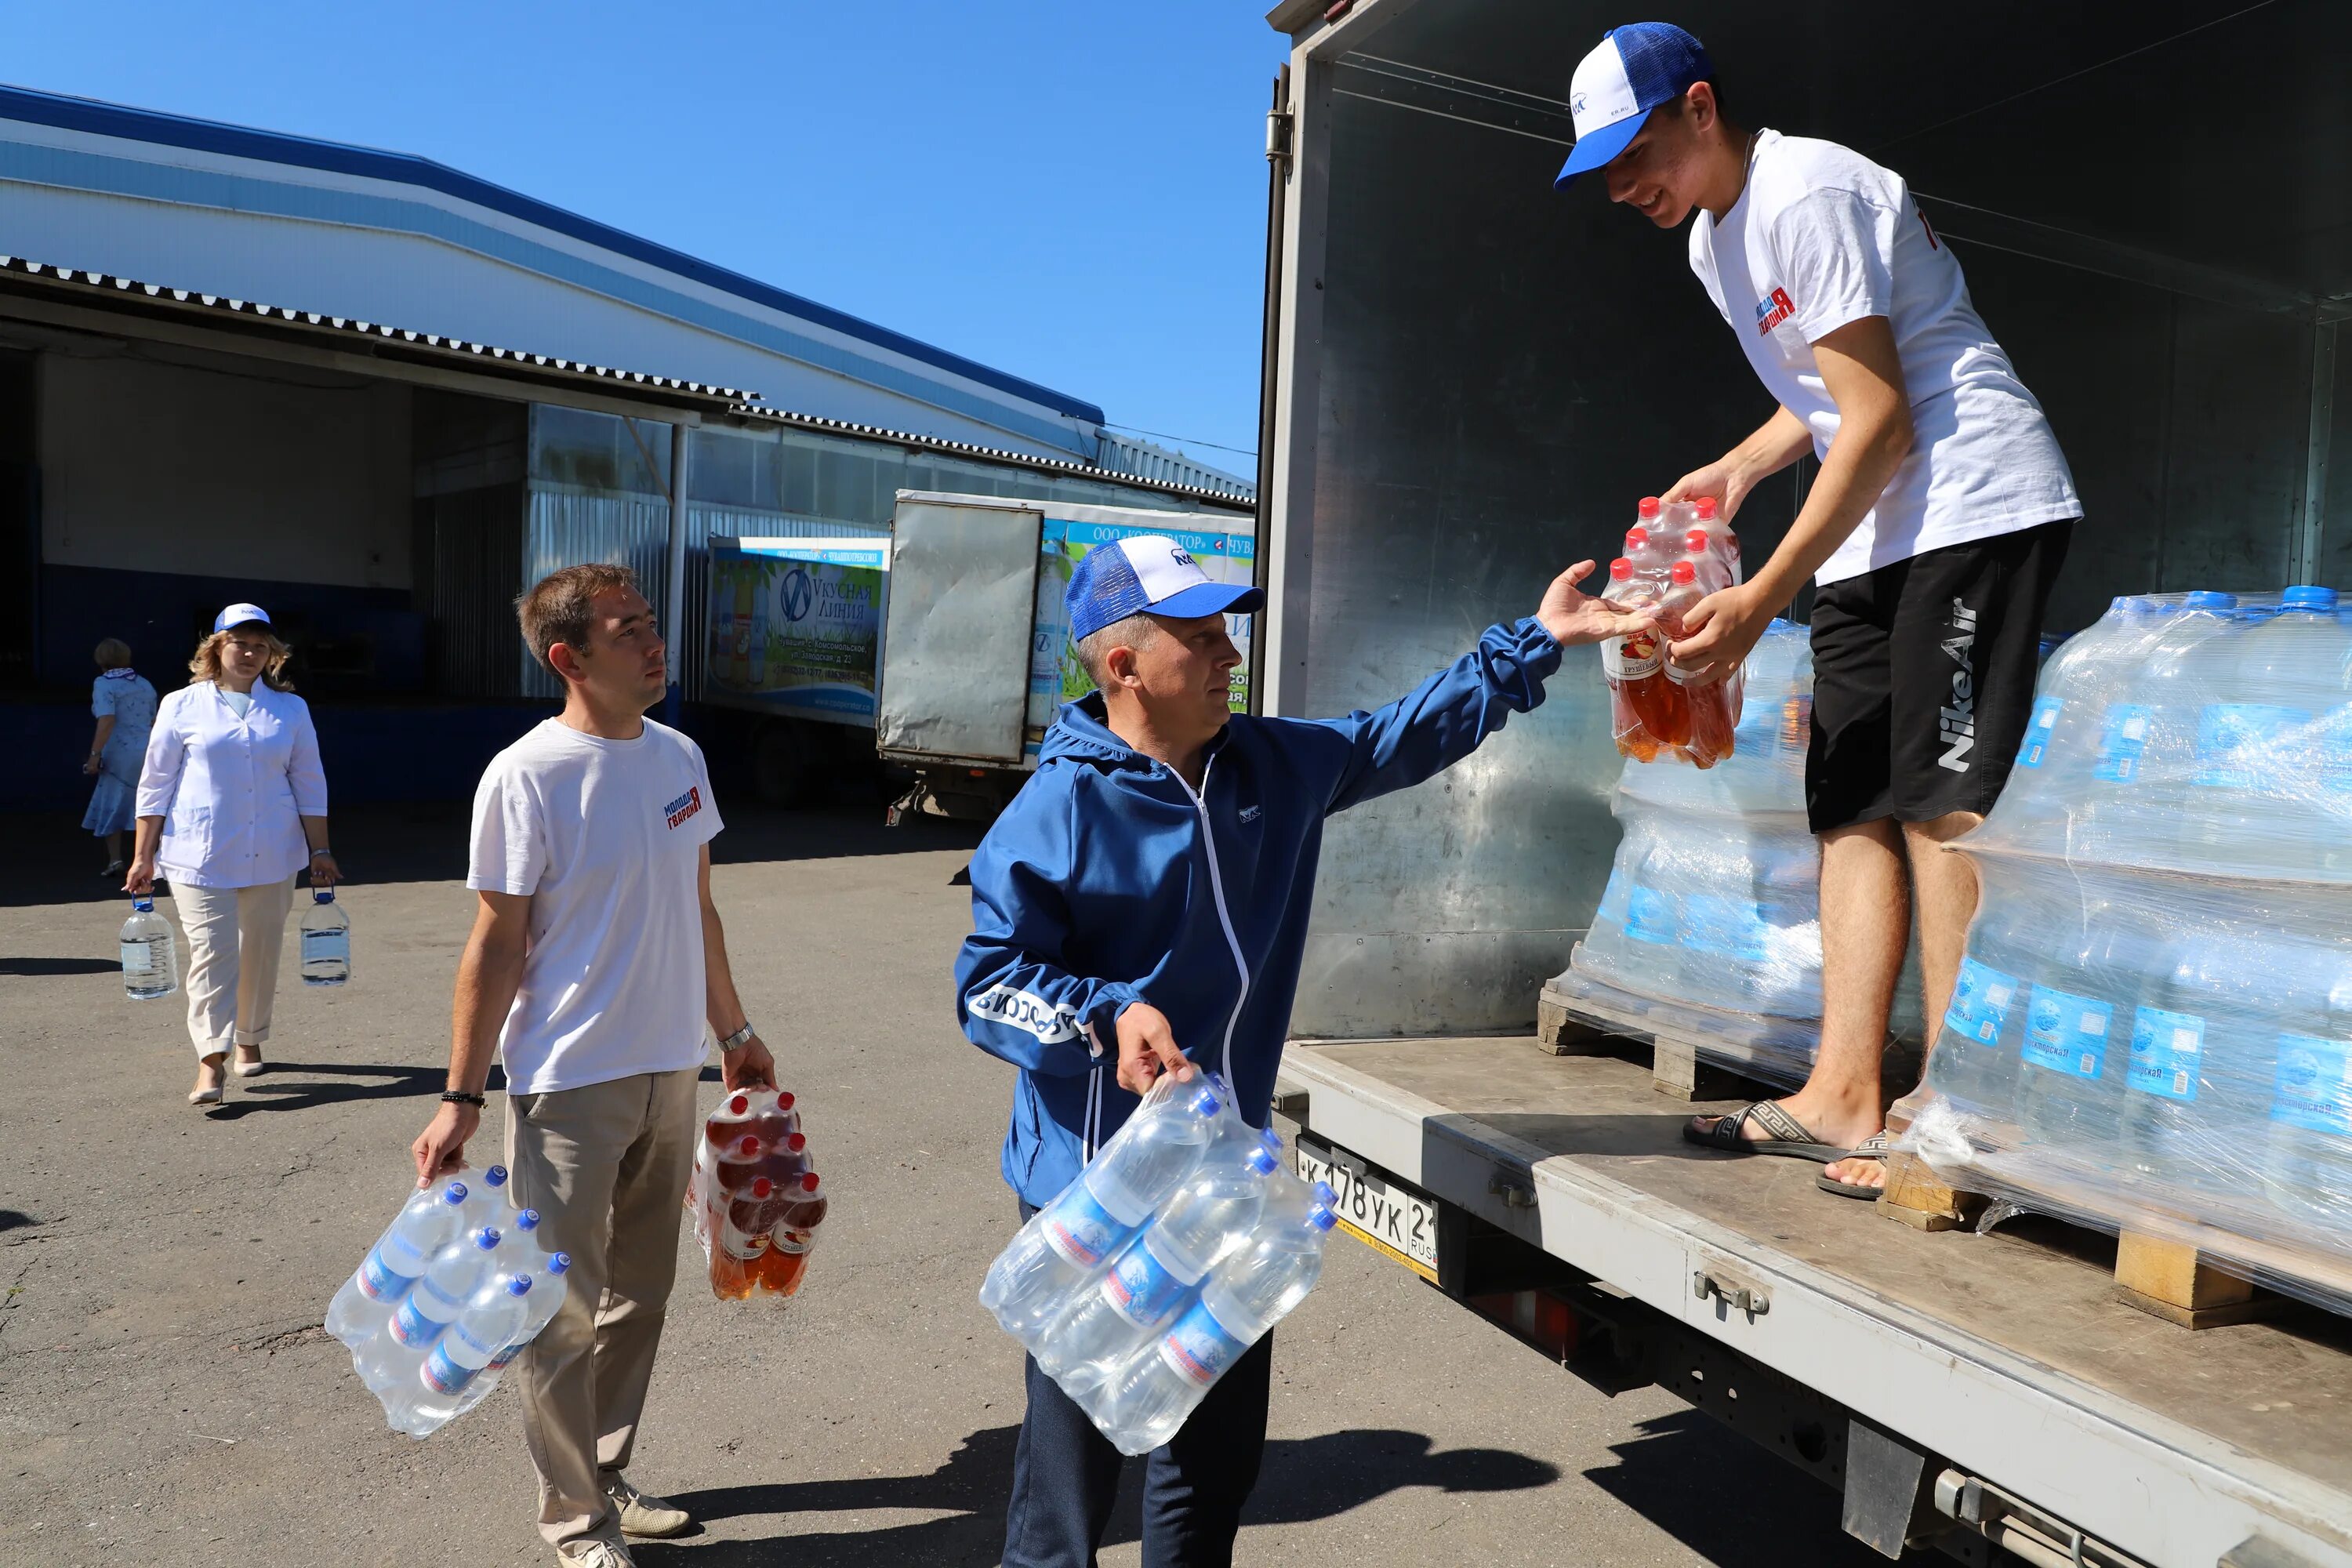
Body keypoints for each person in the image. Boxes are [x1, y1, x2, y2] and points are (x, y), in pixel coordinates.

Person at [955, 535, 1649, 1567]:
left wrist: (1533, 644)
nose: (1231, 653)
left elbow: (1394, 739)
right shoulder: (1057, 813)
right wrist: (1106, 1018)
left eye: (1228, 628)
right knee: (1076, 1473)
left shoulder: (1269, 769)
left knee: (1212, 1464)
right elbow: (987, 986)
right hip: (1097, 1186)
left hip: (1222, 1181)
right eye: (1200, 637)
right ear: (1124, 669)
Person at [1553, 23, 2081, 1194]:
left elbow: (1884, 416)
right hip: (1876, 524)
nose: (1624, 186)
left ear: (1699, 107)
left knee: (1940, 804)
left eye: (1636, 151)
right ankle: (1847, 1091)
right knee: (1847, 799)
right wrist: (1739, 470)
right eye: (1603, 171)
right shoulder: (1712, 246)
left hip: (1970, 500)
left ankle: (1953, 1113)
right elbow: (1825, 395)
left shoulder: (1807, 189)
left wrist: (1760, 600)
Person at [410, 563, 776, 1568]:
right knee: (562, 1310)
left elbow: (696, 907)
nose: (655, 644)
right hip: (568, 1079)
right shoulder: (527, 775)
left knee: (642, 1295)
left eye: (652, 624)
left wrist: (734, 1032)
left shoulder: (681, 757)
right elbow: (495, 943)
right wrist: (460, 1096)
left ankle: (606, 1467)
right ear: (569, 657)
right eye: (630, 630)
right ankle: (575, 1521)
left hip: (671, 1068)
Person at [127, 604, 339, 1106]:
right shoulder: (180, 705)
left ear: (273, 655)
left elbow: (309, 782)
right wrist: (142, 856)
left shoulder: (290, 710)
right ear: (216, 648)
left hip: (273, 851)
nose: (249, 653)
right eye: (239, 643)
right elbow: (154, 785)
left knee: (260, 951)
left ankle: (249, 1036)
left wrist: (321, 849)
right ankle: (211, 1060)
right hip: (198, 854)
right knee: (213, 952)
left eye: (260, 646)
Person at [82, 637, 158, 877]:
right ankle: (147, 858)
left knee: (112, 802)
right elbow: (154, 720)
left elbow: (107, 719)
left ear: (100, 659)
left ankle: (116, 860)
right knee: (148, 804)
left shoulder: (104, 684)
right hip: (149, 750)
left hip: (119, 753)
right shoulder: (145, 684)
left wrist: (95, 755)